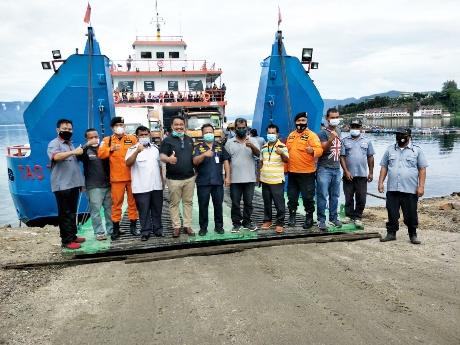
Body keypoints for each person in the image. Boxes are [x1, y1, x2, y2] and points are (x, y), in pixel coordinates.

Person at [378, 127, 428, 244]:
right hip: (393, 188)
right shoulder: (390, 150)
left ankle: (413, 234)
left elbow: (422, 170)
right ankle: (391, 233)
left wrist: (421, 186)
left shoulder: (417, 151)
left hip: (410, 189)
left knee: (411, 213)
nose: (400, 137)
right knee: (392, 212)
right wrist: (380, 182)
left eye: (403, 135)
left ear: (409, 136)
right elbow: (384, 167)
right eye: (398, 135)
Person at [47, 119, 85, 249]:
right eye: (65, 129)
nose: (67, 131)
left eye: (70, 129)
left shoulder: (70, 144)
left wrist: (80, 183)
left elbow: (74, 166)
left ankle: (73, 236)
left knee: (72, 212)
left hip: (73, 184)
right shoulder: (54, 143)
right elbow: (56, 157)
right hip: (62, 185)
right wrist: (74, 152)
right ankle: (66, 241)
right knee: (65, 214)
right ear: (58, 130)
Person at [98, 117, 139, 240]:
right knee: (116, 204)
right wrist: (110, 149)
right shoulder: (107, 140)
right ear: (112, 127)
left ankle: (133, 226)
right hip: (116, 178)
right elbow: (100, 154)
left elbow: (139, 152)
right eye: (117, 125)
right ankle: (115, 228)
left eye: (122, 124)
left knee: (133, 203)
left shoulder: (131, 139)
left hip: (132, 176)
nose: (120, 127)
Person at [159, 115, 196, 237]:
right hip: (174, 179)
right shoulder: (167, 140)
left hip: (189, 178)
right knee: (174, 203)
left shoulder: (190, 140)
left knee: (188, 202)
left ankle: (187, 226)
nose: (179, 127)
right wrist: (169, 159)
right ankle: (176, 227)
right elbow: (162, 156)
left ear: (184, 126)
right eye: (176, 125)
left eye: (181, 124)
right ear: (172, 126)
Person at [126, 126, 164, 241]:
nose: (144, 137)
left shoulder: (155, 149)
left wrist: (162, 180)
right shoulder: (132, 149)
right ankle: (146, 231)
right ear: (137, 136)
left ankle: (158, 229)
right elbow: (128, 163)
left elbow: (160, 166)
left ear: (149, 135)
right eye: (141, 135)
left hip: (156, 185)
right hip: (141, 187)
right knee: (144, 210)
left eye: (146, 134)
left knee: (157, 209)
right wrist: (137, 151)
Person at [286, 112, 323, 229]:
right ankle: (292, 217)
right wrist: (285, 169)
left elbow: (320, 150)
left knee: (307, 197)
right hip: (292, 172)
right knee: (292, 197)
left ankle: (309, 218)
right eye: (298, 121)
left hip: (307, 173)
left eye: (303, 120)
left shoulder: (312, 136)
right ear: (295, 122)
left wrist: (312, 150)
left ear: (306, 122)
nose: (301, 123)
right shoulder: (291, 135)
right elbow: (287, 153)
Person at [193, 124, 231, 236]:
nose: (208, 134)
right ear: (202, 134)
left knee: (218, 205)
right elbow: (195, 161)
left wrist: (227, 176)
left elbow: (226, 161)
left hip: (217, 181)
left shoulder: (219, 146)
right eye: (206, 132)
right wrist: (204, 155)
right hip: (203, 182)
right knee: (203, 205)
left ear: (213, 133)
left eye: (210, 132)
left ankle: (219, 226)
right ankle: (203, 228)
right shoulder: (198, 147)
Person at [225, 118, 260, 232]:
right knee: (235, 203)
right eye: (238, 128)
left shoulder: (253, 140)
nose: (241, 130)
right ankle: (236, 223)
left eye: (243, 128)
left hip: (249, 178)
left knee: (248, 202)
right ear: (235, 129)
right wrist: (227, 177)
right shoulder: (229, 142)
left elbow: (259, 154)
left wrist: (252, 147)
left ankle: (247, 222)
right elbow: (226, 161)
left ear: (246, 128)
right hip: (235, 178)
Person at [339, 119, 375, 227]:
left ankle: (358, 217)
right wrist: (346, 171)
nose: (355, 129)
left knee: (361, 197)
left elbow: (370, 157)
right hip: (348, 175)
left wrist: (371, 172)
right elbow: (342, 157)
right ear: (350, 127)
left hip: (362, 174)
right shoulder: (345, 141)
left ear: (360, 128)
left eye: (357, 127)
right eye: (353, 127)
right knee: (348, 196)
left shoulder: (367, 141)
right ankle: (348, 215)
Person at [78, 128, 112, 240]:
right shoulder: (85, 151)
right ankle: (99, 232)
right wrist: (86, 145)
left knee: (110, 209)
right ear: (86, 139)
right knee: (95, 211)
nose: (94, 139)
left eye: (96, 136)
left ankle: (111, 229)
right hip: (94, 186)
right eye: (91, 137)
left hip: (108, 184)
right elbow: (78, 156)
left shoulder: (104, 149)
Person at [257, 124, 289, 233]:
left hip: (276, 180)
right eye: (269, 133)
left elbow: (286, 160)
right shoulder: (264, 147)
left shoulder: (282, 147)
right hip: (265, 179)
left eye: (273, 133)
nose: (271, 135)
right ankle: (268, 220)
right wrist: (259, 178)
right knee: (266, 202)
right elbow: (261, 163)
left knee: (279, 203)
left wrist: (281, 154)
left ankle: (280, 222)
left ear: (277, 134)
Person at [316, 108, 343, 231]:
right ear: (327, 118)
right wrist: (330, 139)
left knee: (335, 195)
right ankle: (321, 220)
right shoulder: (322, 133)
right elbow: (323, 150)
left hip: (336, 168)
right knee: (322, 195)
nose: (335, 119)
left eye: (337, 117)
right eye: (332, 117)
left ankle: (333, 217)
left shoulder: (339, 130)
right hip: (324, 168)